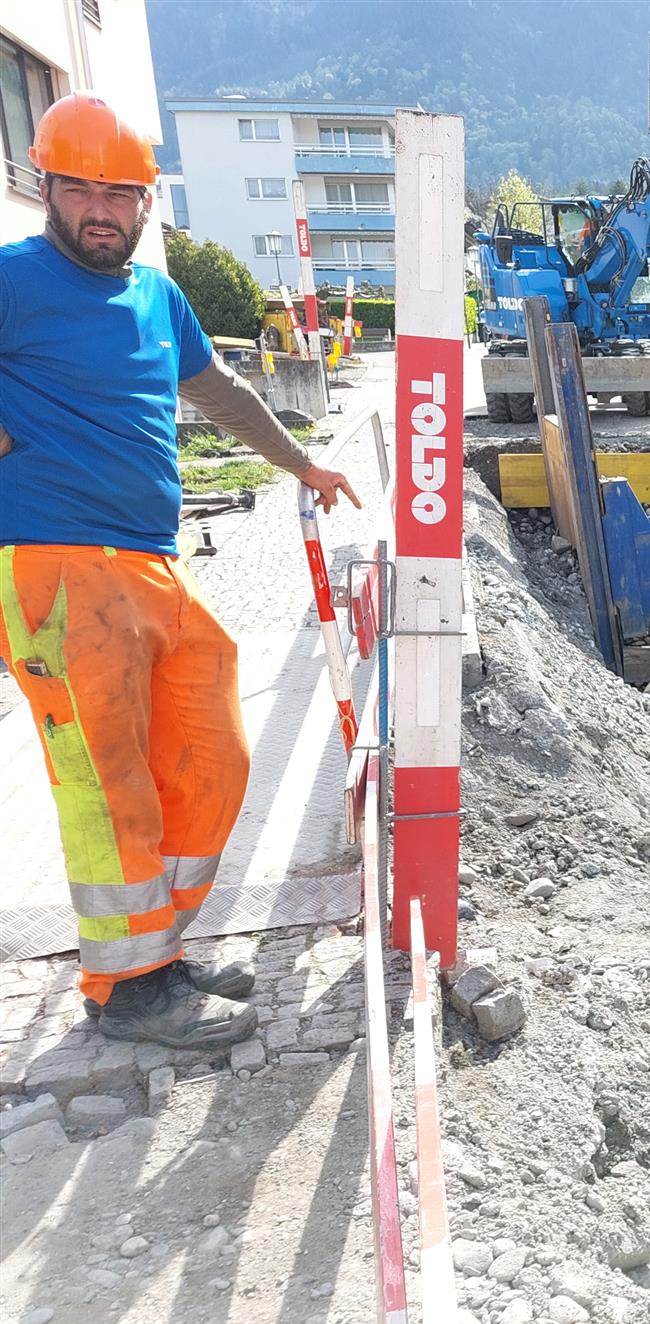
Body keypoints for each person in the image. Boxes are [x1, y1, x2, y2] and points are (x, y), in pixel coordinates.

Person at [0, 93, 359, 1050]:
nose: (102, 210)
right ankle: (126, 992)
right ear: (48, 188)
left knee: (210, 753)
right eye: (82, 189)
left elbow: (224, 392)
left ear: (148, 203)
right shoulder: (12, 281)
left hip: (153, 564)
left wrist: (305, 465)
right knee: (106, 778)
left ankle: (155, 947)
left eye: (121, 193)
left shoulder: (159, 296)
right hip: (56, 569)